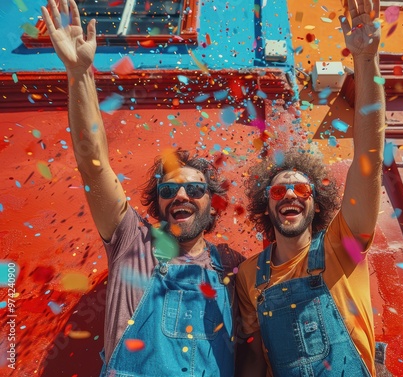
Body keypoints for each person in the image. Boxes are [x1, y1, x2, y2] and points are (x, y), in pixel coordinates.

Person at [41, 1, 245, 376]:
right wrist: (79, 74)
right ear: (158, 203)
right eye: (168, 191)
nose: (180, 196)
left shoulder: (234, 267)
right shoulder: (132, 241)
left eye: (194, 191)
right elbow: (93, 164)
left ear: (212, 204)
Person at [234, 0, 385, 375]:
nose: (289, 195)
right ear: (265, 206)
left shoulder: (344, 245)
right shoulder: (249, 276)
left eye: (302, 191)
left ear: (316, 205)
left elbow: (369, 158)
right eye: (278, 191)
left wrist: (365, 58)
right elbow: (255, 359)